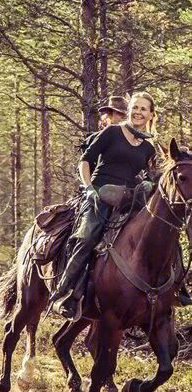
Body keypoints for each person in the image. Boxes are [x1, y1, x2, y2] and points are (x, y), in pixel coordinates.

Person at [50, 91, 158, 321]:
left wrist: (147, 182)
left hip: (128, 201)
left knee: (154, 234)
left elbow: (145, 173)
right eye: (135, 108)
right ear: (129, 110)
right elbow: (85, 161)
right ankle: (65, 292)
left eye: (143, 109)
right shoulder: (112, 132)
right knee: (88, 236)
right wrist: (89, 189)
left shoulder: (148, 147)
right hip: (99, 195)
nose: (138, 112)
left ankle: (167, 291)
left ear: (151, 114)